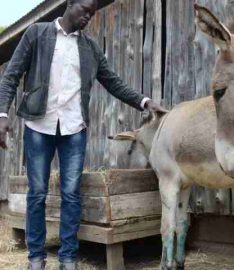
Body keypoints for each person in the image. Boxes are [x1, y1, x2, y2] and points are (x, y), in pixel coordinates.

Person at [0, 0, 166, 269]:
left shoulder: (89, 48)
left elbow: (113, 82)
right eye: (84, 9)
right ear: (69, 4)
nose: (88, 16)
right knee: (37, 193)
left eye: (92, 13)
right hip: (38, 127)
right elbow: (10, 76)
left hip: (73, 129)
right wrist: (2, 115)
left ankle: (67, 257)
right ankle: (35, 257)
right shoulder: (37, 34)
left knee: (71, 194)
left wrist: (145, 101)